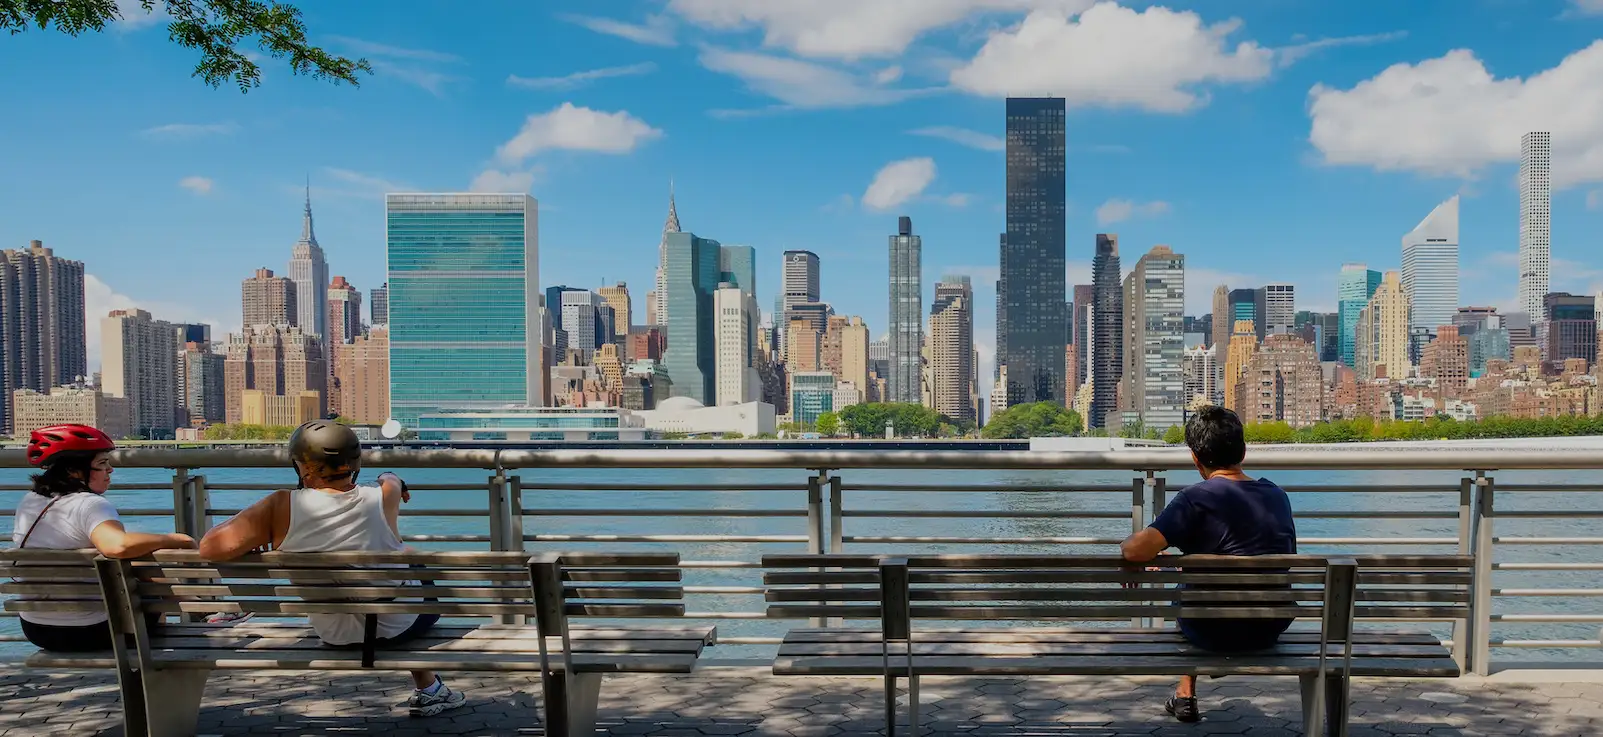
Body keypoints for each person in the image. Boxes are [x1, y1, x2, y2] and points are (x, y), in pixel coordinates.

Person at [197, 420, 466, 718]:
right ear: (355, 462)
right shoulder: (383, 497)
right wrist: (392, 478)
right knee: (409, 560)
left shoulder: (280, 506)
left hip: (334, 632)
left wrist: (263, 536)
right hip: (399, 629)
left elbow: (210, 547)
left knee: (398, 565)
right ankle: (430, 689)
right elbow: (390, 480)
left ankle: (430, 688)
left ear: (301, 466)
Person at [1118, 406, 1298, 723]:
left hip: (1212, 631)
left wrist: (1150, 557)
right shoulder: (1277, 496)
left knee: (1189, 592)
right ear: (1243, 450)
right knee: (1197, 581)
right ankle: (1183, 693)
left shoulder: (1195, 499)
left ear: (1195, 457)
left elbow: (1134, 551)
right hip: (1269, 627)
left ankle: (1186, 693)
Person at [10, 424, 198, 651]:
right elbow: (117, 546)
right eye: (101, 464)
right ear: (74, 471)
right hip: (92, 629)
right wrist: (175, 539)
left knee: (133, 558)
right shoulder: (90, 504)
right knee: (140, 567)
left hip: (36, 628)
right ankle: (157, 663)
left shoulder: (29, 502)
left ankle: (198, 608)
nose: (110, 470)